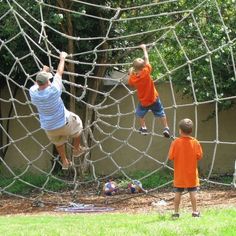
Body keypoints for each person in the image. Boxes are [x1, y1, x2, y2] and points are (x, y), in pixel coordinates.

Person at [29, 52, 84, 170]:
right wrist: (62, 58)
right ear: (48, 82)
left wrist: (43, 70)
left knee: (58, 142)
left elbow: (37, 83)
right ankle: (76, 149)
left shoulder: (33, 93)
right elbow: (59, 72)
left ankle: (64, 161)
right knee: (78, 125)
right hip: (64, 123)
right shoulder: (53, 90)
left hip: (49, 128)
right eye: (49, 79)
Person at [128, 44, 170, 137]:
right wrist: (144, 48)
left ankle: (144, 128)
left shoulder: (133, 78)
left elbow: (130, 81)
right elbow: (147, 59)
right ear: (143, 67)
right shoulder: (146, 72)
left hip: (144, 102)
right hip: (154, 99)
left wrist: (131, 71)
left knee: (139, 114)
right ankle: (166, 128)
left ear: (135, 69)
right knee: (161, 113)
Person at [168, 118, 203, 218]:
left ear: (180, 130)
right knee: (193, 192)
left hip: (179, 174)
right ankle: (195, 212)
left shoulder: (175, 142)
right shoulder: (195, 142)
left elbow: (170, 156)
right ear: (191, 131)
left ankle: (175, 213)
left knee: (177, 193)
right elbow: (199, 156)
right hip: (191, 174)